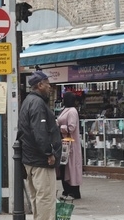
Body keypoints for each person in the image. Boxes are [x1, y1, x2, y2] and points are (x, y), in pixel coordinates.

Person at [18, 71, 62, 220]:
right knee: (46, 197)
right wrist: (49, 153)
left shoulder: (28, 101)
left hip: (30, 158)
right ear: (40, 85)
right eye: (48, 84)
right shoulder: (37, 103)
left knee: (36, 196)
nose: (50, 87)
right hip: (40, 160)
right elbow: (40, 131)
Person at [57, 91, 83, 199]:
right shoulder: (66, 110)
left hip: (71, 143)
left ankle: (73, 191)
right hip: (64, 143)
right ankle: (66, 190)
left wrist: (60, 127)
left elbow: (71, 127)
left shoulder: (72, 111)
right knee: (65, 167)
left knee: (71, 167)